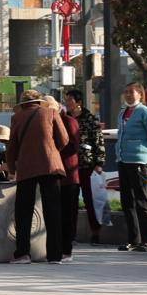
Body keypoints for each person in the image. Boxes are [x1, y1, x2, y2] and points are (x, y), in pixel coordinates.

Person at [8, 89, 73, 263]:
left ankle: (23, 254)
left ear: (23, 103)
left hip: (26, 168)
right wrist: (52, 150)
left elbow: (12, 146)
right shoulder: (51, 112)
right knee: (53, 211)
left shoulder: (17, 118)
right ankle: (54, 255)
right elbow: (64, 139)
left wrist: (11, 169)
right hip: (50, 167)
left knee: (23, 211)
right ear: (39, 101)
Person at [111, 83, 147, 251]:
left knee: (141, 200)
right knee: (127, 201)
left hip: (139, 161)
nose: (128, 95)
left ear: (140, 94)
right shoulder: (122, 112)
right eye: (125, 92)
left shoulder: (146, 113)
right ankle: (134, 239)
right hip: (123, 160)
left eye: (131, 92)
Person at [62, 91, 104, 245]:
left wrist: (99, 163)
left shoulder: (90, 119)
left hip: (86, 164)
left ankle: (95, 232)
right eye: (66, 100)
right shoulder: (64, 118)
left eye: (70, 100)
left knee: (90, 199)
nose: (67, 102)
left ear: (78, 102)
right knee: (70, 201)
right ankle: (70, 234)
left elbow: (98, 141)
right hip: (69, 164)